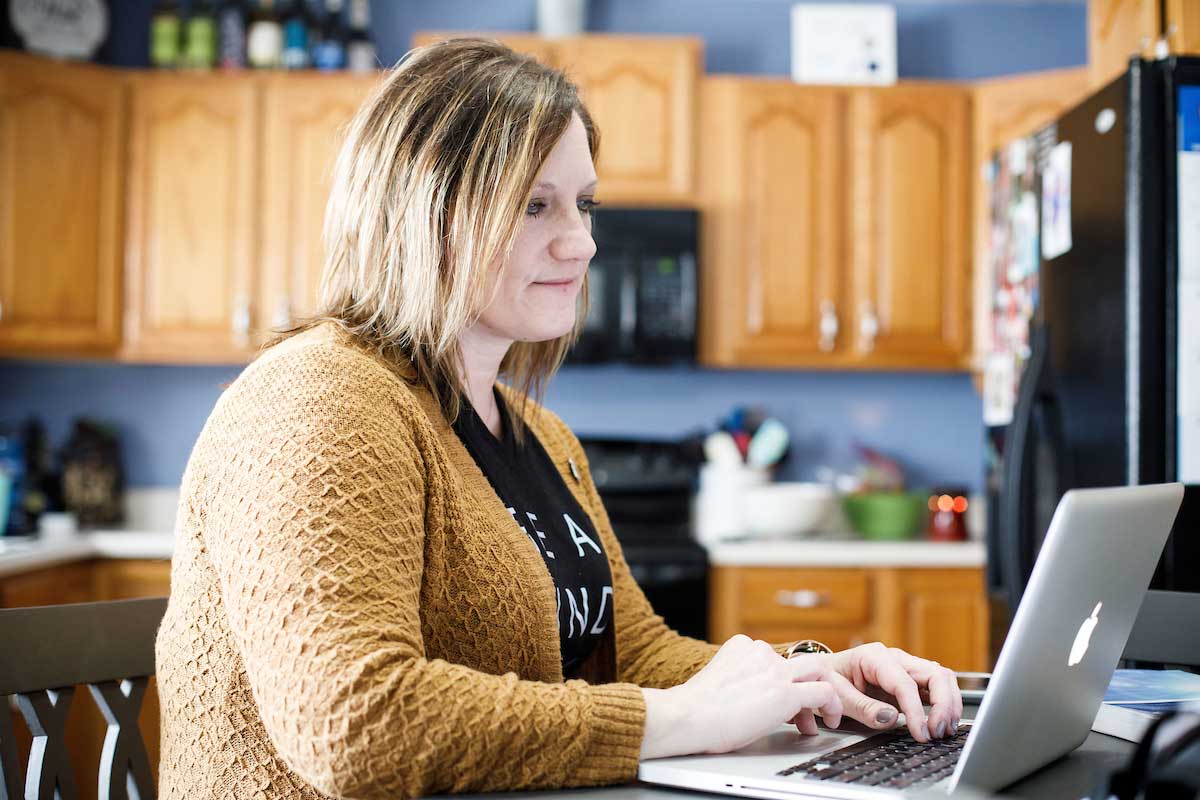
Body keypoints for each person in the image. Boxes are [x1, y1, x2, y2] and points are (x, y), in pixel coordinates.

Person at [154, 37, 963, 800]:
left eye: (583, 203)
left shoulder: (543, 437)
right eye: (535, 206)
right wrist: (679, 721)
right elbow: (355, 724)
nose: (580, 244)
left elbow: (635, 654)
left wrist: (816, 678)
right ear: (421, 213)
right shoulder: (315, 400)